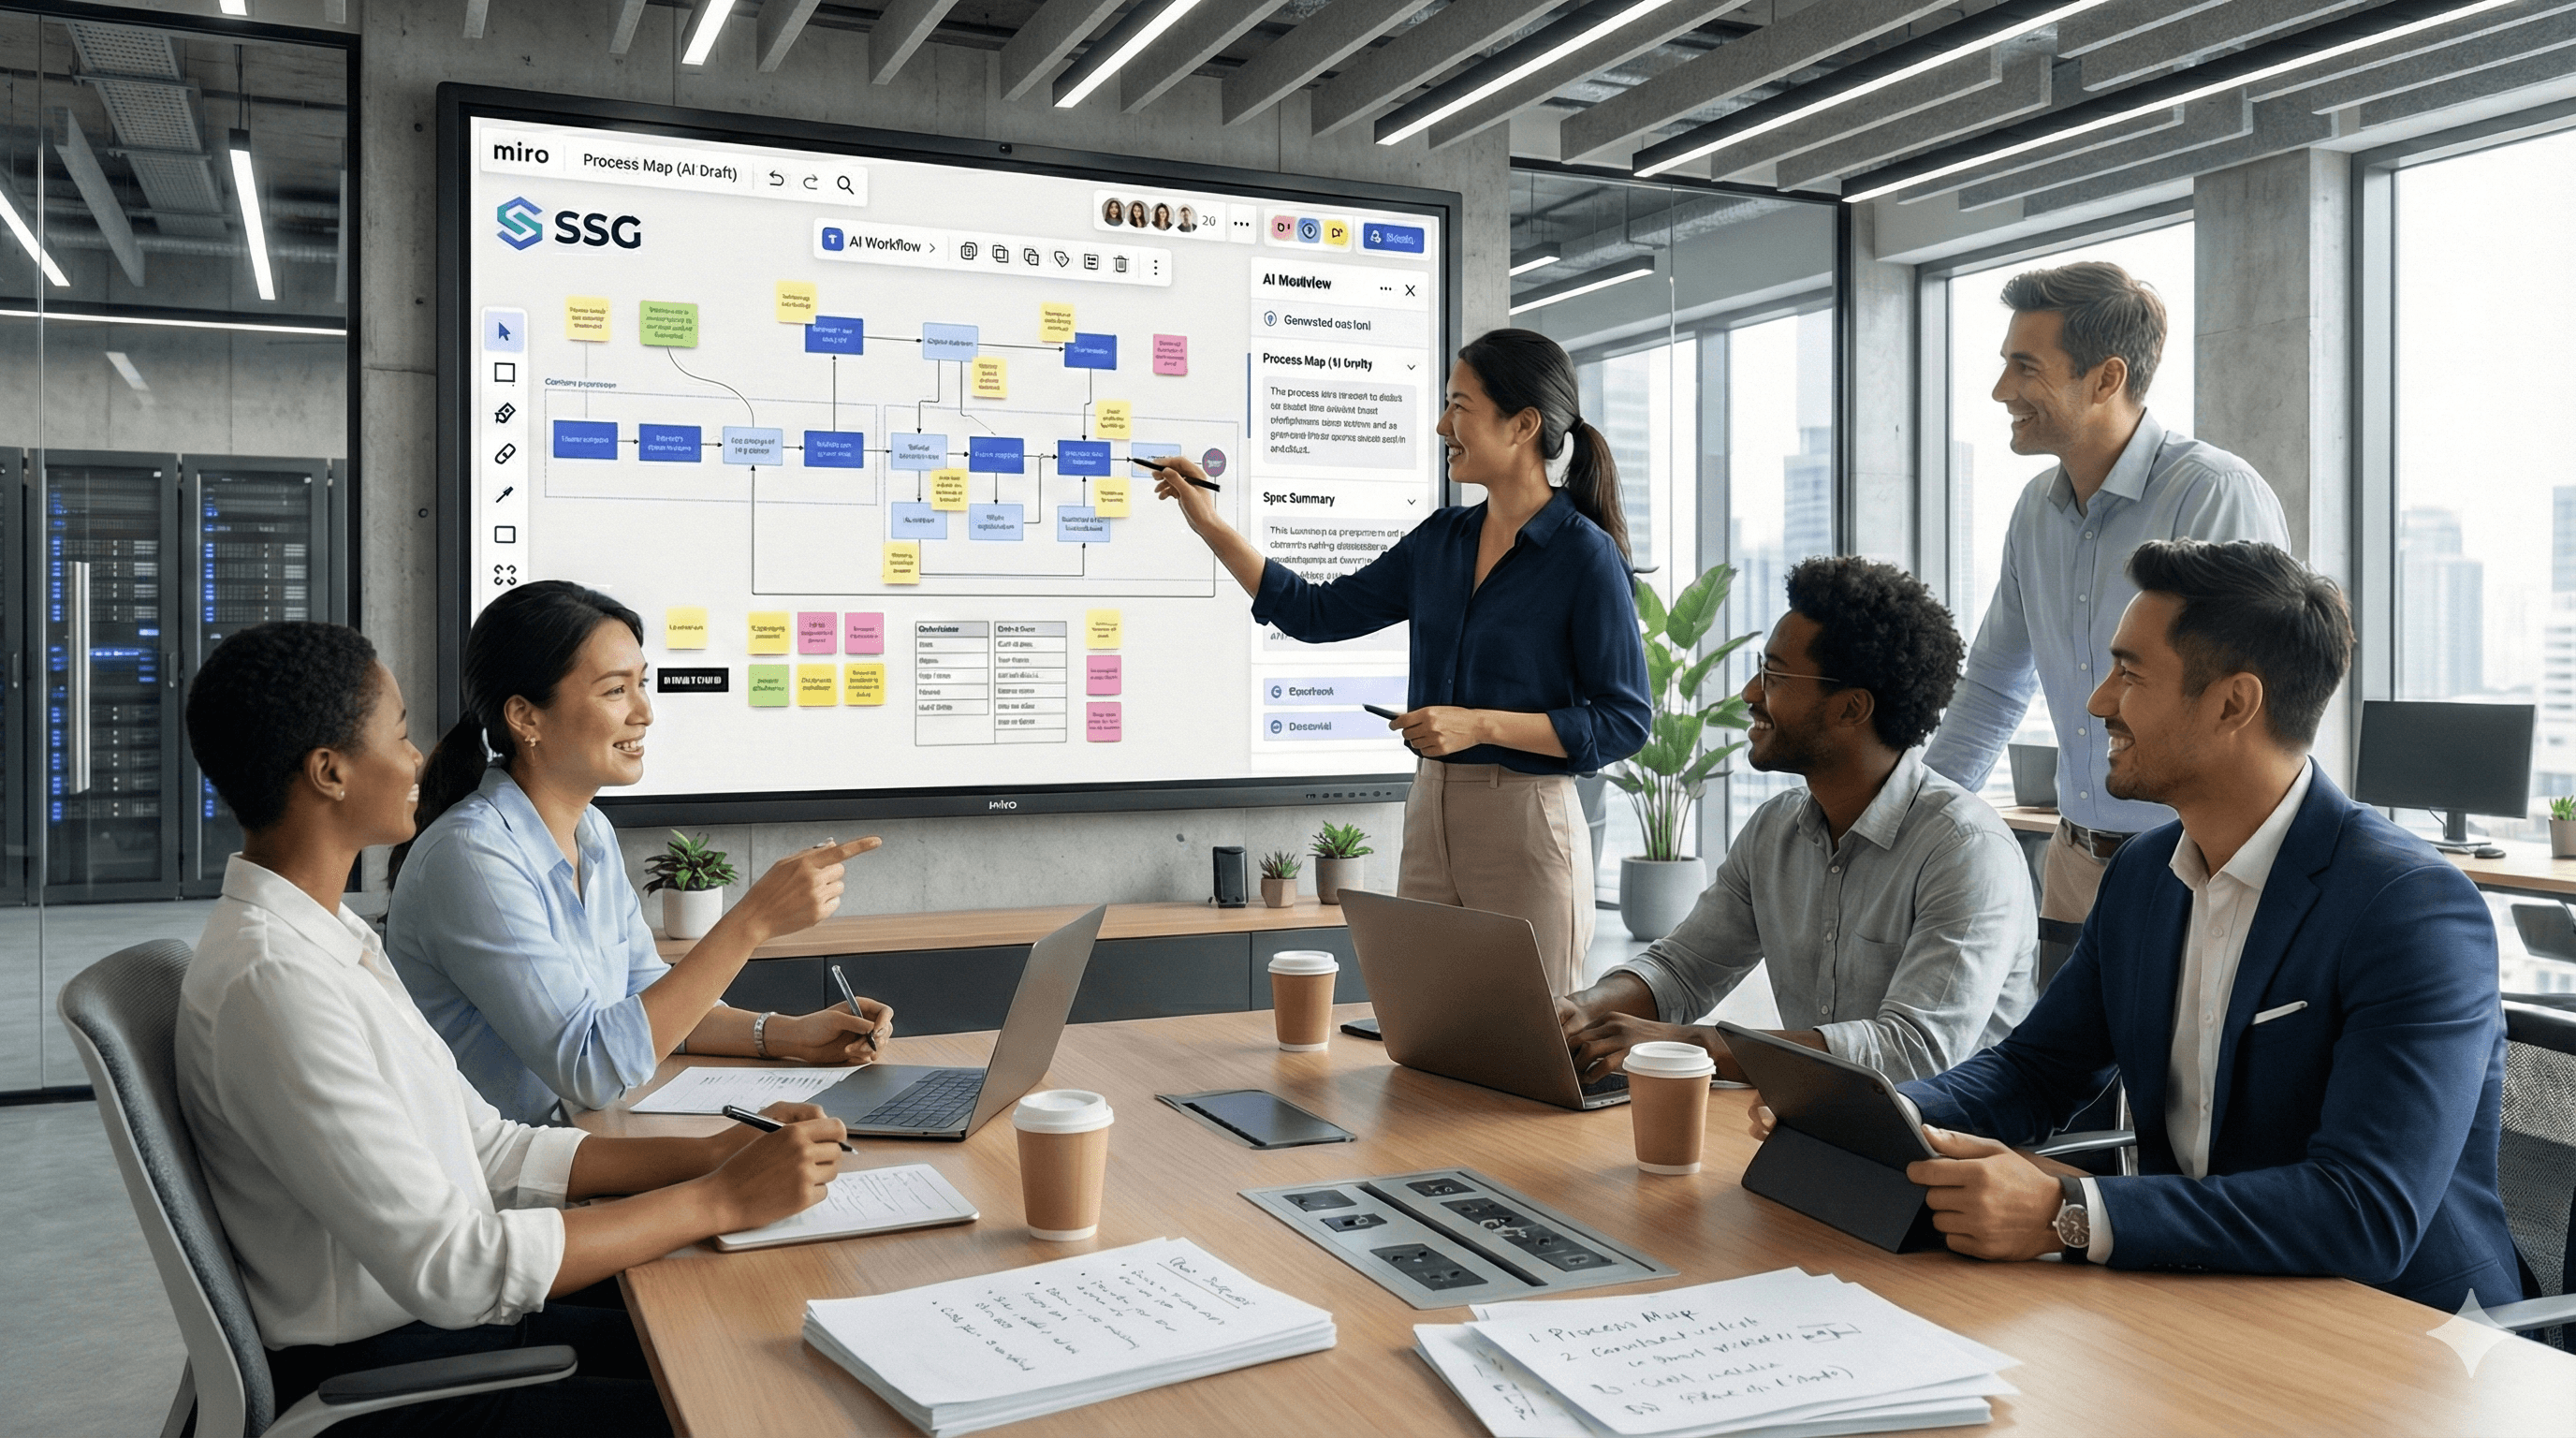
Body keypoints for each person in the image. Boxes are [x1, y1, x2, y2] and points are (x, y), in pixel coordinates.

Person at [1754, 541, 2520, 1313]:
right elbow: (2038, 1070)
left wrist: (2071, 1214)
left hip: (2400, 1332)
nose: (2097, 701)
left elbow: (2366, 1211)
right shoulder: (2147, 875)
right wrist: (1884, 1115)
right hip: (2197, 1294)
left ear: (2233, 703)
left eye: (2130, 672)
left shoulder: (2411, 908)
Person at [176, 621, 844, 1435]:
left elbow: (492, 1151)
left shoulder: (327, 940)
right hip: (390, 1377)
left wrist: (707, 1157)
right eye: (399, 735)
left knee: (762, 1336)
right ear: (330, 773)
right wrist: (716, 1198)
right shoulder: (274, 982)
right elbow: (457, 1268)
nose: (419, 756)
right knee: (763, 1401)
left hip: (443, 1329)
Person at [1154, 328, 1649, 994]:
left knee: (1530, 1049)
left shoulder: (1584, 557)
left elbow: (1624, 720)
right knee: (1427, 1033)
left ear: (1522, 425)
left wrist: (1479, 725)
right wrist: (1210, 524)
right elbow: (1314, 613)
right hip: (1430, 811)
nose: (1443, 424)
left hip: (1527, 825)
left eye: (1460, 406)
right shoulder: (1442, 540)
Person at [388, 581, 891, 1124]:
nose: (644, 712)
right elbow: (593, 1066)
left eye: (642, 684)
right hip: (509, 1187)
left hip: (587, 1144)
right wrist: (752, 921)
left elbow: (651, 1007)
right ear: (526, 717)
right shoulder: (471, 857)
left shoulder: (593, 833)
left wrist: (790, 1034)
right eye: (615, 691)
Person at [1558, 556, 2035, 1083]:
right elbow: (1682, 969)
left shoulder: (1966, 849)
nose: (1750, 694)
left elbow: (1913, 1052)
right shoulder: (1775, 830)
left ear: (1852, 708)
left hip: (1951, 1146)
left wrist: (1693, 1045)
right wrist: (1585, 1009)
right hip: (1818, 1128)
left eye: (1775, 676)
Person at [1923, 261, 2289, 927]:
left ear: (2107, 378)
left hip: (2195, 869)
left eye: (2025, 367)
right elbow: (1995, 688)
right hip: (2074, 863)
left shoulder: (2213, 494)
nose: (2002, 389)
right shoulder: (2034, 510)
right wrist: (1914, 822)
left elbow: (2243, 707)